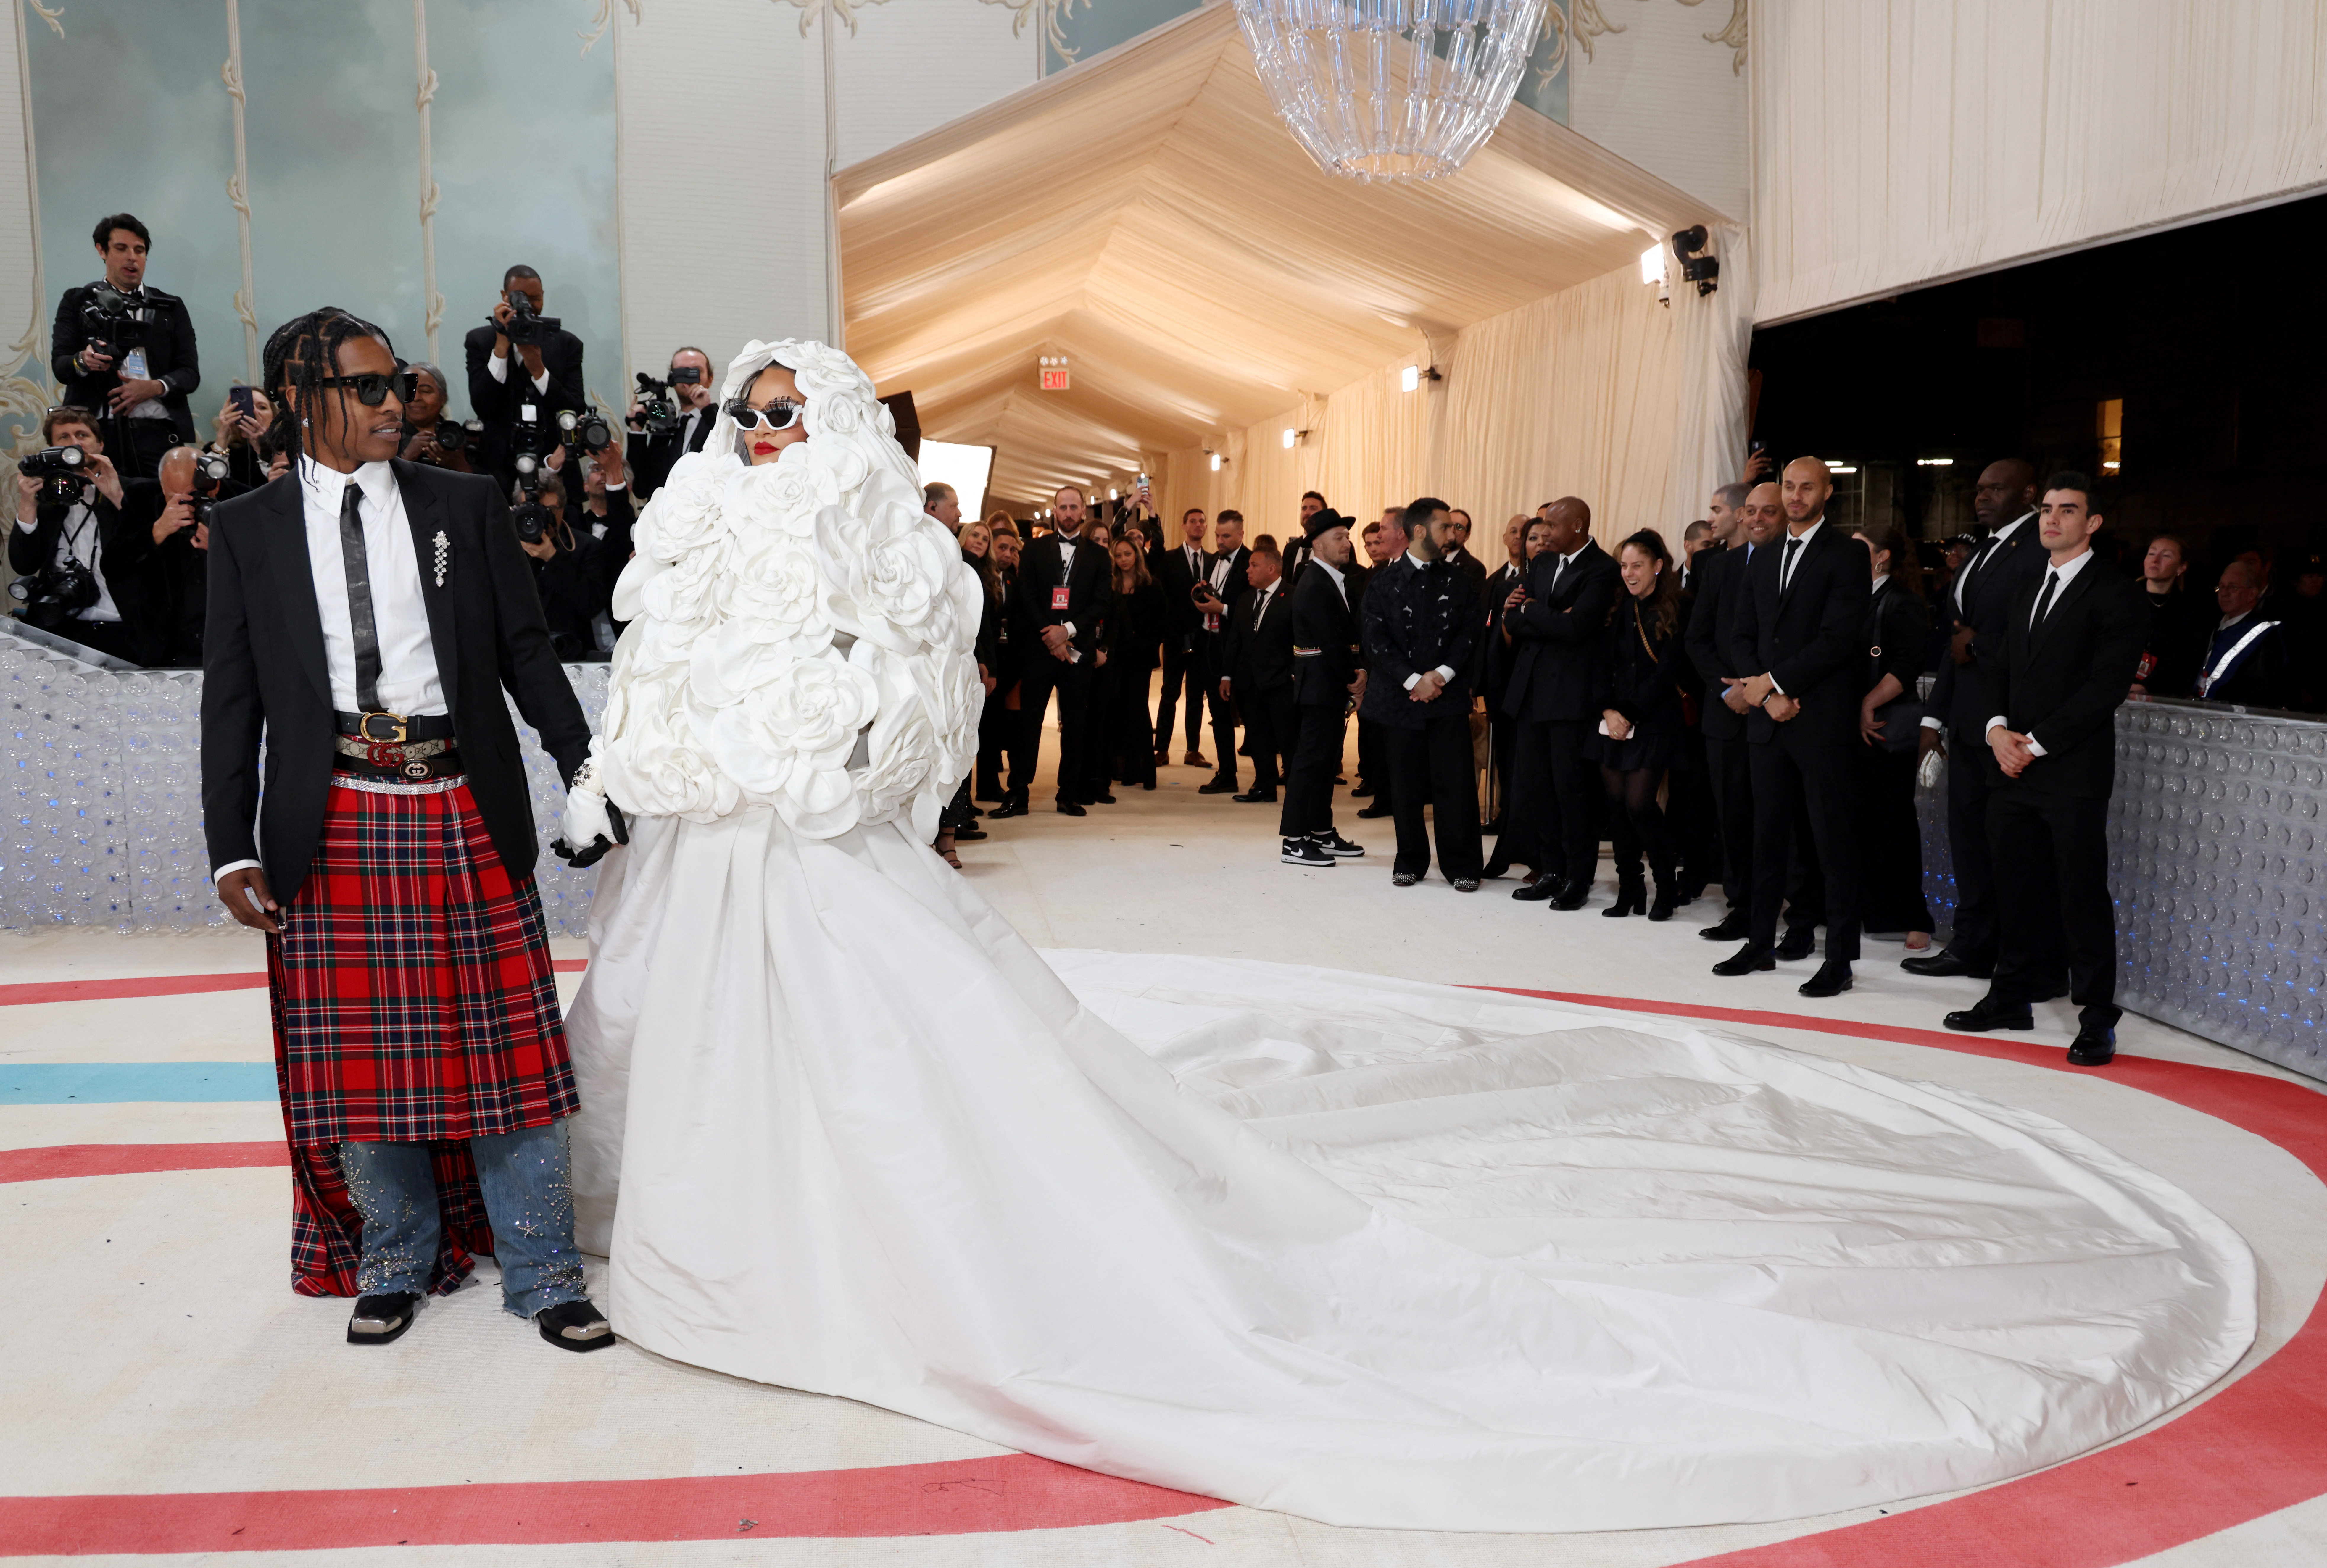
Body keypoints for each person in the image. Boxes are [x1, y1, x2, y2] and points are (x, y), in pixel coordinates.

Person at [554, 340, 2239, 1534]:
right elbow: (659, 679)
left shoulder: (896, 557)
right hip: (709, 858)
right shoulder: (698, 534)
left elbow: (912, 724)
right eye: (747, 413)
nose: (767, 434)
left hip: (825, 859)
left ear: (836, 415)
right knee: (713, 1040)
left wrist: (824, 753)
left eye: (791, 409)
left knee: (891, 1066)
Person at [201, 305, 608, 1351]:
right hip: (329, 818)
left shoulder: (461, 505)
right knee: (365, 1061)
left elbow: (527, 654)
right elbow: (232, 699)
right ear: (303, 400)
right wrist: (231, 843)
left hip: (463, 803)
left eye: (399, 383)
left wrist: (583, 768)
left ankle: (544, 1271)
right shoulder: (247, 529)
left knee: (512, 1053)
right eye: (369, 388)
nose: (397, 404)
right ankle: (395, 1260)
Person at [1944, 472, 2147, 1066]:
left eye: (2067, 510)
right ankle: (2009, 997)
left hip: (2071, 773)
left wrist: (2031, 744)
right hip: (2010, 768)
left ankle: (2094, 1018)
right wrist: (1995, 731)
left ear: (2093, 524)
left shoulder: (2116, 594)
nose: (2051, 519)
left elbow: (2102, 688)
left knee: (2079, 897)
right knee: (2013, 889)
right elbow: (1996, 670)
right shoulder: (2026, 586)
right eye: (2046, 510)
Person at [1714, 458, 1870, 998]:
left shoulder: (1847, 554)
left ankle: (1839, 960)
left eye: (1807, 487)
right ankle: (1759, 943)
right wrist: (1763, 689)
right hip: (1769, 723)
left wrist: (1772, 686)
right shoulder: (1761, 556)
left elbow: (1838, 638)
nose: (1796, 496)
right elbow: (1739, 634)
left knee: (1832, 843)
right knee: (1766, 838)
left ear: (1827, 492)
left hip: (1818, 721)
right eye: (1789, 486)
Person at [1908, 459, 2059, 988]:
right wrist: (1933, 716)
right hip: (1969, 722)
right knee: (1967, 841)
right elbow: (1954, 641)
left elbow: (2032, 640)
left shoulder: (2035, 553)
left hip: (2010, 728)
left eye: (1995, 489)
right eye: (1978, 490)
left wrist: (1974, 645)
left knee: (2010, 851)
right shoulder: (1982, 552)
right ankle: (1972, 946)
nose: (1981, 498)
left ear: (2027, 493)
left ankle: (2020, 960)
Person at [1491, 498, 1618, 908]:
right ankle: (1550, 870)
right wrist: (1542, 615)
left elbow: (1579, 627)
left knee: (1571, 790)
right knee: (1536, 788)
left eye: (1553, 527)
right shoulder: (1543, 564)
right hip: (1530, 693)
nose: (1545, 534)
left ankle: (1578, 879)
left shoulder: (1601, 569)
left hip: (1569, 697)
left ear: (1578, 526)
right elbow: (1512, 619)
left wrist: (1535, 614)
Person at [1359, 498, 1482, 889]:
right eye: (1446, 527)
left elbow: (1469, 634)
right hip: (1400, 701)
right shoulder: (1382, 583)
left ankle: (1462, 865)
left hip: (1447, 698)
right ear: (1419, 532)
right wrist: (1414, 681)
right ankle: (1410, 859)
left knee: (1455, 784)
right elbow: (1376, 642)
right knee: (1405, 785)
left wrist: (1440, 676)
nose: (1453, 533)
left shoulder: (1460, 580)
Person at [8, 404, 162, 664]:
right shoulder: (46, 500)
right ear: (53, 449)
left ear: (101, 444)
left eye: (82, 435)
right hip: (63, 628)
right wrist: (28, 504)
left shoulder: (138, 490)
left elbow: (156, 556)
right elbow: (23, 564)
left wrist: (116, 497)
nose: (75, 445)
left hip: (127, 630)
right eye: (64, 438)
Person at [50, 213, 201, 479]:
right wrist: (84, 361)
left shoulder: (170, 307)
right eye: (122, 249)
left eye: (139, 250)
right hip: (98, 434)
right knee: (105, 514)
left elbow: (190, 374)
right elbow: (62, 366)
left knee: (164, 510)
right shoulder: (79, 301)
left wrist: (153, 387)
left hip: (158, 433)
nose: (132, 257)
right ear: (102, 251)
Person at [1594, 529, 1689, 919]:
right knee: (1616, 807)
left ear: (1658, 566)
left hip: (1654, 721)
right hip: (1613, 719)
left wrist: (1628, 713)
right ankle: (1629, 888)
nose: (1629, 574)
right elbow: (1598, 666)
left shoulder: (1677, 607)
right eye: (1624, 566)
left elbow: (1668, 672)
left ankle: (1666, 885)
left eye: (1638, 566)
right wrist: (1608, 711)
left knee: (1640, 804)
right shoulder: (1615, 608)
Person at [1001, 484, 1108, 817]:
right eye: (1062, 507)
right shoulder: (1033, 549)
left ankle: (1069, 794)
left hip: (1077, 650)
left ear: (1083, 512)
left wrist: (1068, 631)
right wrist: (1050, 634)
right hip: (1039, 650)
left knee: (1075, 725)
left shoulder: (1098, 554)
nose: (1068, 512)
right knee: (1028, 723)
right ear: (1054, 510)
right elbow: (1026, 596)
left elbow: (1101, 601)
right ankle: (1017, 794)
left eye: (1074, 507)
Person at [1853, 522, 1934, 951]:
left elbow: (1907, 666)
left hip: (1884, 728)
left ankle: (1912, 917)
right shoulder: (1848, 599)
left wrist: (1868, 702)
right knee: (1857, 824)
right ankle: (1867, 910)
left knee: (1893, 824)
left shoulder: (1900, 603)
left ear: (1883, 556)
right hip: (1851, 728)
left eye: (1860, 549)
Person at [1277, 508, 1367, 867]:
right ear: (1317, 544)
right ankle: (1295, 840)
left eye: (1347, 537)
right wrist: (1354, 679)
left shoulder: (1332, 578)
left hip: (1327, 684)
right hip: (1320, 685)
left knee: (1326, 761)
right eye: (1339, 538)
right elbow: (1331, 643)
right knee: (1309, 762)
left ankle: (1321, 830)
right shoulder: (1315, 582)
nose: (1347, 544)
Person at [463, 264, 586, 485]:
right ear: (504, 297)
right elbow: (482, 406)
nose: (529, 306)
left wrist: (538, 368)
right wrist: (501, 347)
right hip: (497, 468)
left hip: (553, 466)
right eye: (520, 298)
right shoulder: (479, 342)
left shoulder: (568, 345)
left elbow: (575, 408)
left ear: (543, 298)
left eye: (535, 298)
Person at [1220, 543, 1295, 803]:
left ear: (1272, 569)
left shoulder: (1293, 597)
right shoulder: (1246, 599)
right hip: (1249, 683)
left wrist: (1293, 675)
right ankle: (1265, 786)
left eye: (1254, 565)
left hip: (1282, 683)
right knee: (1258, 738)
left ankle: (1298, 791)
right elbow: (1235, 641)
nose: (1248, 570)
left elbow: (1301, 640)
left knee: (1288, 740)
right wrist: (1227, 675)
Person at [1192, 511, 1250, 794]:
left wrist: (1223, 609)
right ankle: (1227, 772)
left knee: (1252, 714)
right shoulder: (1214, 560)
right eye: (1217, 535)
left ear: (1241, 534)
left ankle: (1267, 776)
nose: (1220, 541)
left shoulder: (1252, 563)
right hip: (1210, 644)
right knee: (1218, 712)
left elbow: (1257, 610)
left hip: (1239, 649)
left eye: (1226, 536)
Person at [1102, 536, 1165, 793]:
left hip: (1140, 657)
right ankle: (1128, 771)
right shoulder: (1111, 585)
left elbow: (1162, 621)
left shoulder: (1151, 584)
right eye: (1119, 556)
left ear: (1137, 556)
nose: (1124, 559)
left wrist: (1147, 645)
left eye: (1128, 554)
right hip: (1116, 657)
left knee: (1138, 709)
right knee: (1120, 710)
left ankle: (1147, 772)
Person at [1478, 516, 1527, 833]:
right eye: (1514, 531)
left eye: (1527, 534)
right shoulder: (1494, 581)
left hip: (1527, 680)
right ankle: (1505, 813)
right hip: (1498, 681)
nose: (1519, 538)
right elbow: (1483, 634)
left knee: (1524, 757)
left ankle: (1521, 818)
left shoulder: (1538, 578)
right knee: (1503, 756)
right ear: (1504, 537)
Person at [1153, 507, 1212, 768]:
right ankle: (1162, 749)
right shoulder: (1168, 559)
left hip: (1203, 639)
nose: (1198, 525)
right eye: (1193, 522)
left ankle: (1193, 750)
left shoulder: (1214, 561)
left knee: (1196, 695)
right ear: (1184, 526)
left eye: (1202, 522)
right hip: (1176, 637)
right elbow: (1161, 599)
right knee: (1169, 693)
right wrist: (1168, 632)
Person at [2193, 558, 2292, 707]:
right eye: (2221, 587)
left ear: (2252, 594)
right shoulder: (2217, 628)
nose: (2224, 594)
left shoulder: (2266, 634)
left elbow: (2263, 688)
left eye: (2233, 588)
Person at [624, 346, 718, 497]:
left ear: (710, 378)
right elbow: (642, 488)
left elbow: (730, 449)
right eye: (682, 372)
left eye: (696, 372)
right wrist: (636, 431)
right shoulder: (664, 427)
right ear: (672, 379)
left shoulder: (721, 421)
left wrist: (706, 409)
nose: (688, 378)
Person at [976, 514, 1024, 803]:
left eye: (1012, 550)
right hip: (986, 659)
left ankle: (991, 785)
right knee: (984, 726)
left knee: (998, 725)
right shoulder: (980, 576)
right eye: (1002, 548)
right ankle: (986, 784)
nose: (1007, 554)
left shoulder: (1013, 580)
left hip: (1010, 661)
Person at [2130, 533, 2205, 698]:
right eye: (2152, 553)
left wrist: (2149, 686)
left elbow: (2186, 659)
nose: (2155, 560)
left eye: (2166, 556)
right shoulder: (2123, 599)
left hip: (2162, 696)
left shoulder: (2189, 610)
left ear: (2181, 568)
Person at [395, 363, 476, 475]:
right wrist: (407, 457)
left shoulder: (460, 437)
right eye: (409, 391)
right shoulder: (391, 438)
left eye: (425, 391)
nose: (417, 398)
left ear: (443, 398)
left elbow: (496, 486)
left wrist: (459, 465)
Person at [208, 384, 279, 489]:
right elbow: (209, 486)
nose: (254, 412)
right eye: (248, 407)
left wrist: (262, 448)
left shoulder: (286, 450)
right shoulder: (219, 449)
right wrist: (222, 438)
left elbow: (284, 485)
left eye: (262, 407)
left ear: (273, 418)